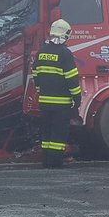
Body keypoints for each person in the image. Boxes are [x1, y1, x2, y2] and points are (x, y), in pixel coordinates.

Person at [32, 19, 82, 168]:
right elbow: (72, 78)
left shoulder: (41, 52)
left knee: (46, 132)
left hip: (45, 103)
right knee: (58, 135)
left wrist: (41, 92)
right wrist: (77, 98)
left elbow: (36, 74)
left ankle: (46, 161)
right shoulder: (65, 54)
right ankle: (55, 162)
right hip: (61, 104)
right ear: (65, 35)